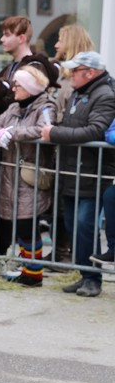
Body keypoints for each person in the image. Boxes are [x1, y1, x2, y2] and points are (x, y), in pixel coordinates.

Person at [41, 52, 115, 297]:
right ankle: (84, 274)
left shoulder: (104, 95)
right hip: (73, 170)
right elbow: (73, 126)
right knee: (73, 225)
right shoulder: (78, 92)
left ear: (90, 72)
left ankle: (93, 278)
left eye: (76, 70)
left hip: (93, 172)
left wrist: (55, 135)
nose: (71, 74)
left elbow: (95, 130)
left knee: (85, 225)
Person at [0, 64, 57, 287]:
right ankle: (28, 270)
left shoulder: (45, 106)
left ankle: (34, 273)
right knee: (19, 225)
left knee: (27, 225)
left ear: (29, 87)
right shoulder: (14, 107)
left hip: (30, 174)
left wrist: (13, 133)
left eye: (18, 85)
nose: (13, 88)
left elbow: (43, 129)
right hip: (10, 174)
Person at [52, 24, 94, 122]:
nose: (56, 45)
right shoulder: (61, 72)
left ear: (71, 44)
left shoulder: (83, 78)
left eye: (60, 41)